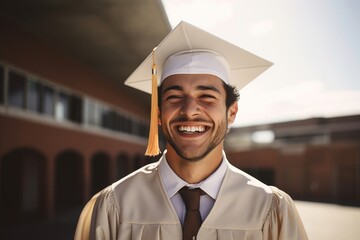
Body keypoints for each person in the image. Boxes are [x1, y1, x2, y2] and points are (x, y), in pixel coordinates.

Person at [74, 21, 308, 240]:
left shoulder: (271, 210)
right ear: (157, 114)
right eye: (175, 97)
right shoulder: (114, 206)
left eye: (206, 96)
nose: (190, 110)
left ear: (231, 112)